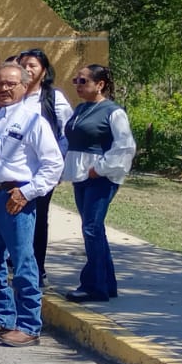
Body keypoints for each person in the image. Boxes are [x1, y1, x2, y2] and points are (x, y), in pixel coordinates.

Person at [0, 63, 63, 347]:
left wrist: (28, 192)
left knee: (22, 263)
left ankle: (29, 325)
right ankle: (2, 318)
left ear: (24, 86)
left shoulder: (33, 121)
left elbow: (53, 164)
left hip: (14, 200)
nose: (4, 88)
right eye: (0, 83)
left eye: (11, 84)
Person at [62, 64, 135, 303]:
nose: (78, 85)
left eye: (83, 81)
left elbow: (125, 146)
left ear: (100, 84)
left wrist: (100, 168)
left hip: (100, 178)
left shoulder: (113, 112)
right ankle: (107, 283)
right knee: (94, 229)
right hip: (81, 176)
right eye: (76, 81)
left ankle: (93, 286)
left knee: (91, 229)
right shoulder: (82, 108)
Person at [17, 48, 71, 285]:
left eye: (33, 66)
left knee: (38, 220)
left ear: (44, 71)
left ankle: (37, 269)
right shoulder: (12, 95)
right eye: (24, 65)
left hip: (41, 172)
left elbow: (66, 133)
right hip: (14, 170)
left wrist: (57, 165)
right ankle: (20, 266)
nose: (27, 70)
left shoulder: (53, 97)